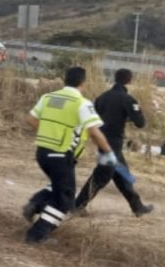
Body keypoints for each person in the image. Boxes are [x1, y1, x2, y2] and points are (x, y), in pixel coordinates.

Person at [21, 66, 116, 244]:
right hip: (60, 154)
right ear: (83, 83)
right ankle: (37, 235)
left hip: (42, 152)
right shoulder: (82, 103)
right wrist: (109, 153)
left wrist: (49, 132)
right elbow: (95, 133)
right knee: (66, 200)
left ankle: (36, 203)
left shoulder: (48, 97)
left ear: (65, 80)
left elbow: (31, 119)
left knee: (59, 184)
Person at [74, 69, 154, 217]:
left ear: (114, 79)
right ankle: (77, 205)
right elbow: (140, 123)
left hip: (101, 140)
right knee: (102, 175)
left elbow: (94, 119)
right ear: (129, 80)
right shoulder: (128, 99)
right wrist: (135, 113)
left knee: (122, 174)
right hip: (114, 143)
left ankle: (137, 207)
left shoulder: (101, 97)